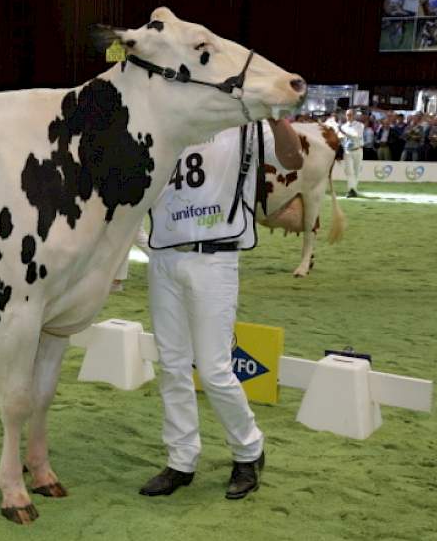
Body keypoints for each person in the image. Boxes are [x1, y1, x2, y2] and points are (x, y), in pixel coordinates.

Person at [139, 118, 303, 501]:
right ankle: (181, 459)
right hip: (163, 257)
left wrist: (276, 114)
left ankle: (249, 451)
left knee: (213, 370)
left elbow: (292, 160)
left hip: (215, 258)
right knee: (173, 365)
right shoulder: (166, 121)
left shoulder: (245, 125)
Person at [338, 109, 365, 197]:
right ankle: (351, 190)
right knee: (349, 171)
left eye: (350, 115)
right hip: (348, 151)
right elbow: (341, 139)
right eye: (347, 115)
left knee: (357, 171)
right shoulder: (343, 126)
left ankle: (354, 190)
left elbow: (356, 135)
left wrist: (344, 132)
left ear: (354, 115)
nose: (348, 117)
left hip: (358, 150)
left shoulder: (360, 125)